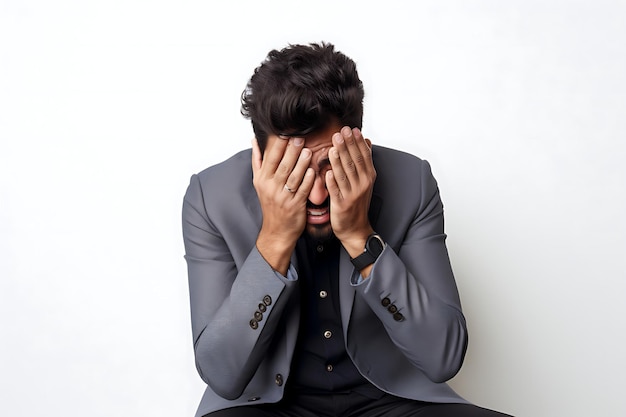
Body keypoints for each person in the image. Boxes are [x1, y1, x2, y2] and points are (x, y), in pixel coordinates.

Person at [182, 42, 512, 417]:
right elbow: (221, 375)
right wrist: (273, 240)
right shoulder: (210, 197)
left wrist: (360, 236)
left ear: (360, 145)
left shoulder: (412, 182)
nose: (319, 195)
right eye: (294, 172)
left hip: (392, 403)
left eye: (329, 166)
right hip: (269, 407)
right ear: (260, 160)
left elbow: (443, 357)